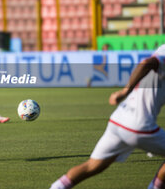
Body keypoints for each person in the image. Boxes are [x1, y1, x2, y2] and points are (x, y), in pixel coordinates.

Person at [50, 44, 165, 189]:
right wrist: (125, 91)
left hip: (118, 119)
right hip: (138, 124)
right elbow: (146, 63)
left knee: (92, 166)